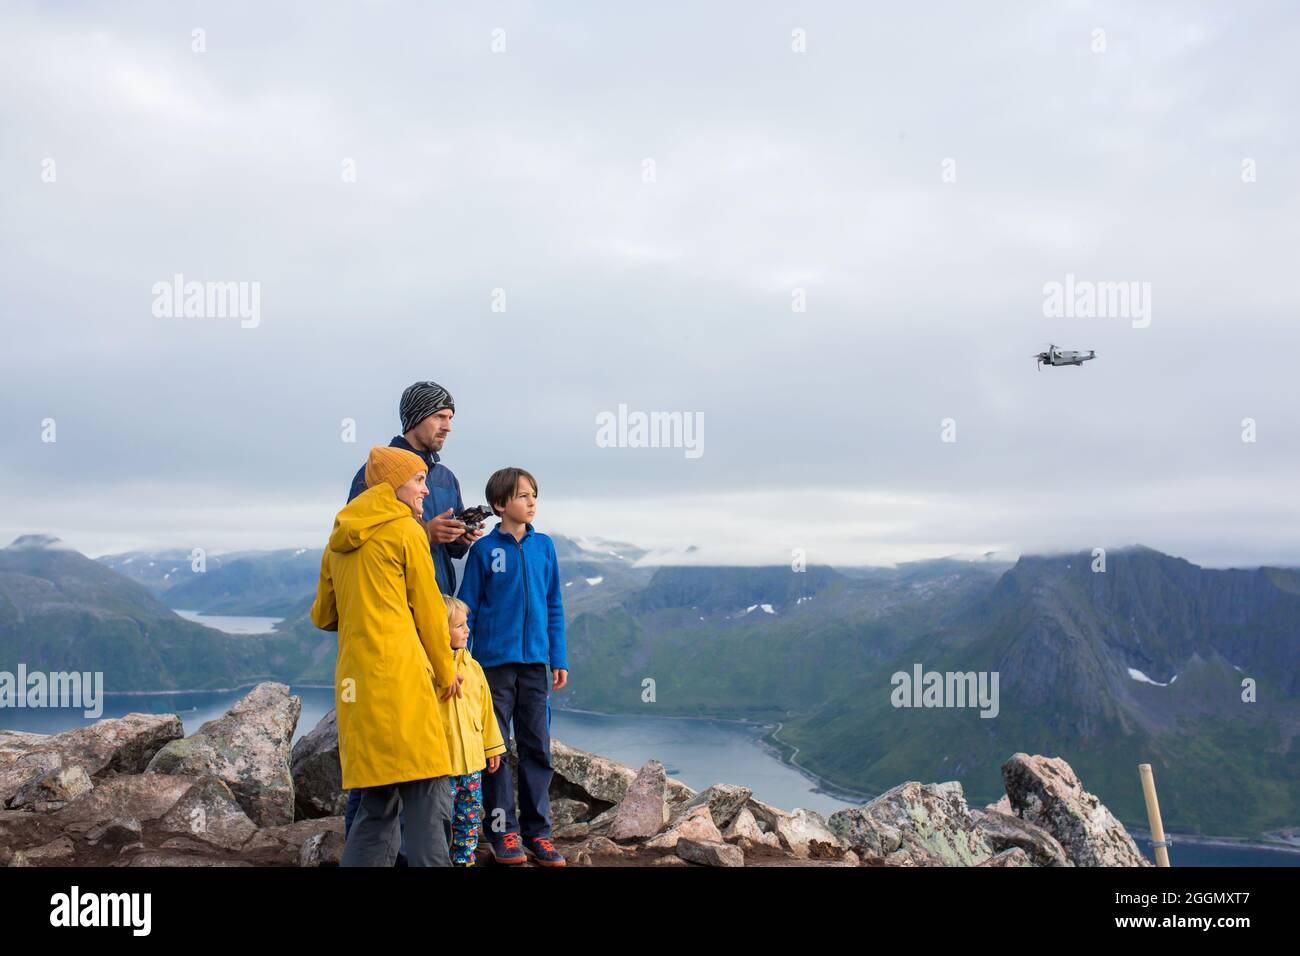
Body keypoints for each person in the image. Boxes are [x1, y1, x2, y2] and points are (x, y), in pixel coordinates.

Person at [342, 380, 486, 844]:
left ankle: (421, 843)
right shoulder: (374, 472)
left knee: (429, 733)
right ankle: (376, 842)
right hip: (395, 621)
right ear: (415, 418)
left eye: (451, 418)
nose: (448, 425)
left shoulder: (447, 478)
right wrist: (424, 532)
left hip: (437, 608)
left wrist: (458, 537)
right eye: (441, 416)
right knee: (388, 739)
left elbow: (448, 552)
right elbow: (362, 542)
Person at [311, 446, 464, 867]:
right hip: (403, 682)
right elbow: (432, 614)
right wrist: (445, 670)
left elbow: (323, 615)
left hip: (357, 687)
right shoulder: (405, 531)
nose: (425, 489)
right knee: (429, 800)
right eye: (418, 480)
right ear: (394, 484)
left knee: (376, 807)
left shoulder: (338, 539)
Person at [456, 467, 568, 867]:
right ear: (501, 504)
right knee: (496, 751)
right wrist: (462, 662)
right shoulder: (484, 552)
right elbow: (465, 607)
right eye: (523, 496)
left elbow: (553, 603)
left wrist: (559, 657)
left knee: (538, 747)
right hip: (493, 668)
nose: (532, 502)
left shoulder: (545, 548)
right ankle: (503, 832)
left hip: (536, 666)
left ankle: (540, 834)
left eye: (534, 495)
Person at [438, 595, 507, 866]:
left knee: (468, 817)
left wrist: (492, 748)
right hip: (443, 765)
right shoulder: (432, 670)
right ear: (440, 630)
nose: (467, 630)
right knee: (441, 819)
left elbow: (486, 713)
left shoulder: (474, 668)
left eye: (466, 624)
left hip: (472, 765)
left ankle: (464, 860)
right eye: (458, 626)